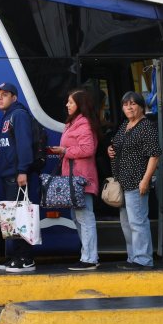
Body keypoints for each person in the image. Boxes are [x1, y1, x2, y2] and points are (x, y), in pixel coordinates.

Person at [47, 90, 102, 271]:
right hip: (73, 177)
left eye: (70, 102)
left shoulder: (83, 123)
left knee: (84, 217)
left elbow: (88, 149)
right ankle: (87, 255)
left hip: (82, 179)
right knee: (77, 217)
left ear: (80, 104)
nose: (67, 105)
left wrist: (64, 151)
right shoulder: (73, 123)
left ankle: (89, 258)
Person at [0, 82, 37, 273]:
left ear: (14, 97)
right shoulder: (8, 116)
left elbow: (24, 145)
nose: (0, 97)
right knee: (13, 218)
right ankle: (15, 257)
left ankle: (26, 258)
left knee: (22, 216)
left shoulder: (19, 115)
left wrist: (22, 170)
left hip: (17, 175)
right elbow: (11, 146)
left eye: (5, 94)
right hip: (9, 174)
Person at [107, 91, 161, 270]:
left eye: (133, 104)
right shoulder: (125, 125)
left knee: (138, 222)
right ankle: (133, 257)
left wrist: (145, 180)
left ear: (141, 106)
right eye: (125, 104)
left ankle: (143, 259)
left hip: (137, 180)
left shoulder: (146, 126)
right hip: (123, 181)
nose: (129, 107)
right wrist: (110, 150)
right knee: (127, 223)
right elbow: (116, 144)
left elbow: (154, 155)